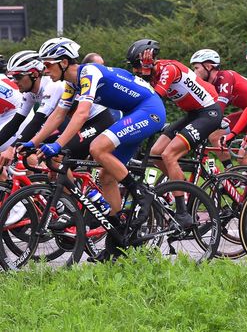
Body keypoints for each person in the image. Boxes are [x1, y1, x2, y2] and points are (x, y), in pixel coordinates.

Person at [21, 37, 166, 261]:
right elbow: (58, 114)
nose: (45, 70)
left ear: (64, 62)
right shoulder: (71, 83)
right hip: (134, 112)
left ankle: (140, 192)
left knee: (98, 147)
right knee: (106, 176)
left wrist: (58, 145)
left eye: (48, 64)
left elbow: (81, 114)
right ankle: (117, 240)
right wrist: (33, 142)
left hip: (149, 110)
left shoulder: (88, 73)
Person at [126, 39, 222, 226]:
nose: (136, 70)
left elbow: (153, 100)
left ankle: (182, 213)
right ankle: (182, 186)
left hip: (209, 113)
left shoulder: (168, 69)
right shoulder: (152, 74)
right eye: (134, 66)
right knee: (155, 153)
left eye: (137, 65)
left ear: (150, 60)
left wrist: (146, 74)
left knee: (169, 155)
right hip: (193, 114)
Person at [190, 48, 247, 166]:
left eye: (196, 68)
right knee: (215, 136)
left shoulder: (225, 76)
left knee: (243, 158)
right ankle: (229, 172)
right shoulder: (212, 85)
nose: (194, 72)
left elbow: (219, 108)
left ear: (208, 66)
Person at [0, 51, 65, 165]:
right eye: (13, 77)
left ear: (34, 74)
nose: (14, 81)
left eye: (18, 77)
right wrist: (12, 147)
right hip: (62, 122)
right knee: (45, 158)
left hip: (87, 120)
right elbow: (15, 123)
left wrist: (12, 148)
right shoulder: (29, 93)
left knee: (57, 161)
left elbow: (37, 121)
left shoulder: (51, 86)